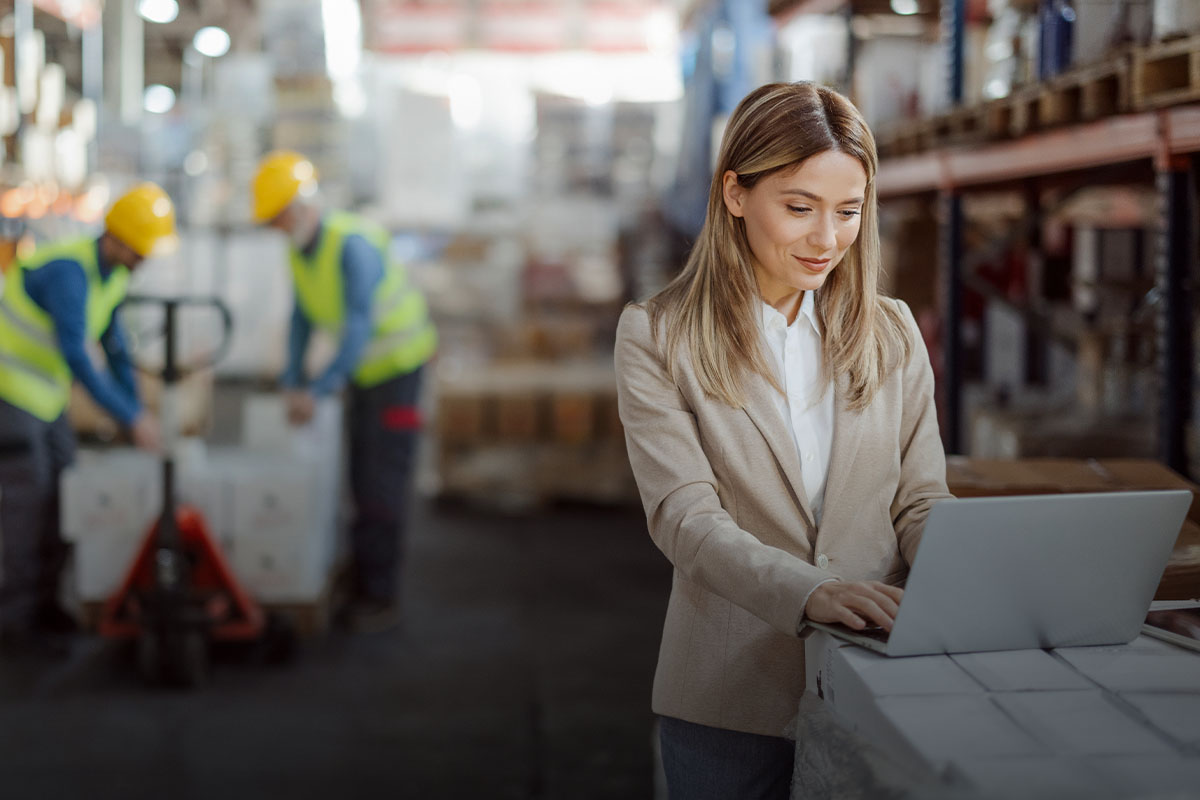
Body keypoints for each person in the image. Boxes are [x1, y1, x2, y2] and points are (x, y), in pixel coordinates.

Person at [614, 82, 953, 798]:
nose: (826, 239)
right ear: (735, 193)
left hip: (876, 677)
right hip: (729, 698)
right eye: (799, 208)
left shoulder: (891, 332)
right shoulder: (658, 335)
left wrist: (970, 578)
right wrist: (813, 592)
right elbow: (685, 518)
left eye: (848, 211)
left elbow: (921, 501)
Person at [251, 151, 437, 633]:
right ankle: (359, 577)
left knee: (382, 483)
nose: (275, 230)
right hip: (361, 375)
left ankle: (380, 594)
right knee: (358, 476)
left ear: (299, 207)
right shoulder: (300, 250)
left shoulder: (352, 245)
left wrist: (319, 386)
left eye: (277, 218)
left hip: (398, 374)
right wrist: (292, 378)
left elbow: (356, 327)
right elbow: (301, 318)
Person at [0, 183, 177, 655]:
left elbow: (116, 350)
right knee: (25, 505)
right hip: (10, 395)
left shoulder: (113, 275)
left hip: (45, 398)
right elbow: (79, 355)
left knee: (64, 493)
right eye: (141, 250)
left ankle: (45, 606)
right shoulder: (68, 272)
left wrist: (137, 410)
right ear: (116, 239)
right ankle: (12, 626)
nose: (145, 260)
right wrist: (130, 418)